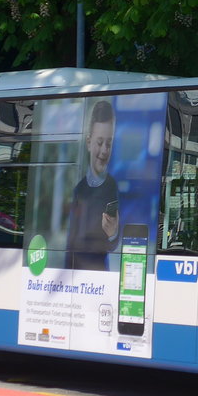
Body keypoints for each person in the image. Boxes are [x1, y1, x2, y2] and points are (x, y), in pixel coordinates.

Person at [67, 99, 119, 269]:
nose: (104, 151)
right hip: (76, 275)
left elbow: (114, 245)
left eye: (109, 144)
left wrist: (112, 234)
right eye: (99, 142)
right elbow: (71, 243)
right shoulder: (78, 189)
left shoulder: (113, 187)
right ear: (89, 142)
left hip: (98, 276)